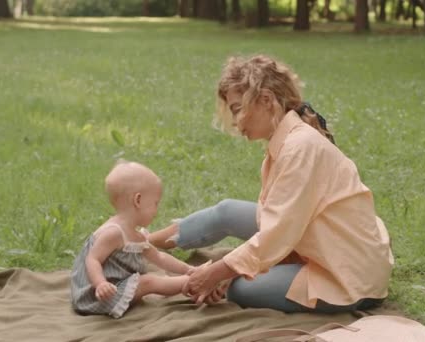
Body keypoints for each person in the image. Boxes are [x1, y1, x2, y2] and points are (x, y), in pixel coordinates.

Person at [148, 55, 394, 314]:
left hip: (347, 276)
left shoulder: (300, 147)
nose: (235, 121)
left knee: (241, 288)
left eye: (237, 109)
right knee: (227, 211)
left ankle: (178, 269)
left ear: (266, 100)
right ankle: (141, 243)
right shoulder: (287, 141)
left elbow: (276, 235)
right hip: (314, 240)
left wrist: (219, 272)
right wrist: (230, 267)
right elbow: (276, 226)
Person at [70, 160, 194, 318]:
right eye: (155, 203)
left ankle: (192, 275)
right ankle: (192, 282)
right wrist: (100, 283)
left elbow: (160, 257)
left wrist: (188, 268)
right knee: (147, 282)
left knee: (150, 279)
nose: (157, 211)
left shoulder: (136, 235)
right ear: (138, 200)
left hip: (114, 285)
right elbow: (92, 259)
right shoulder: (113, 233)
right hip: (98, 295)